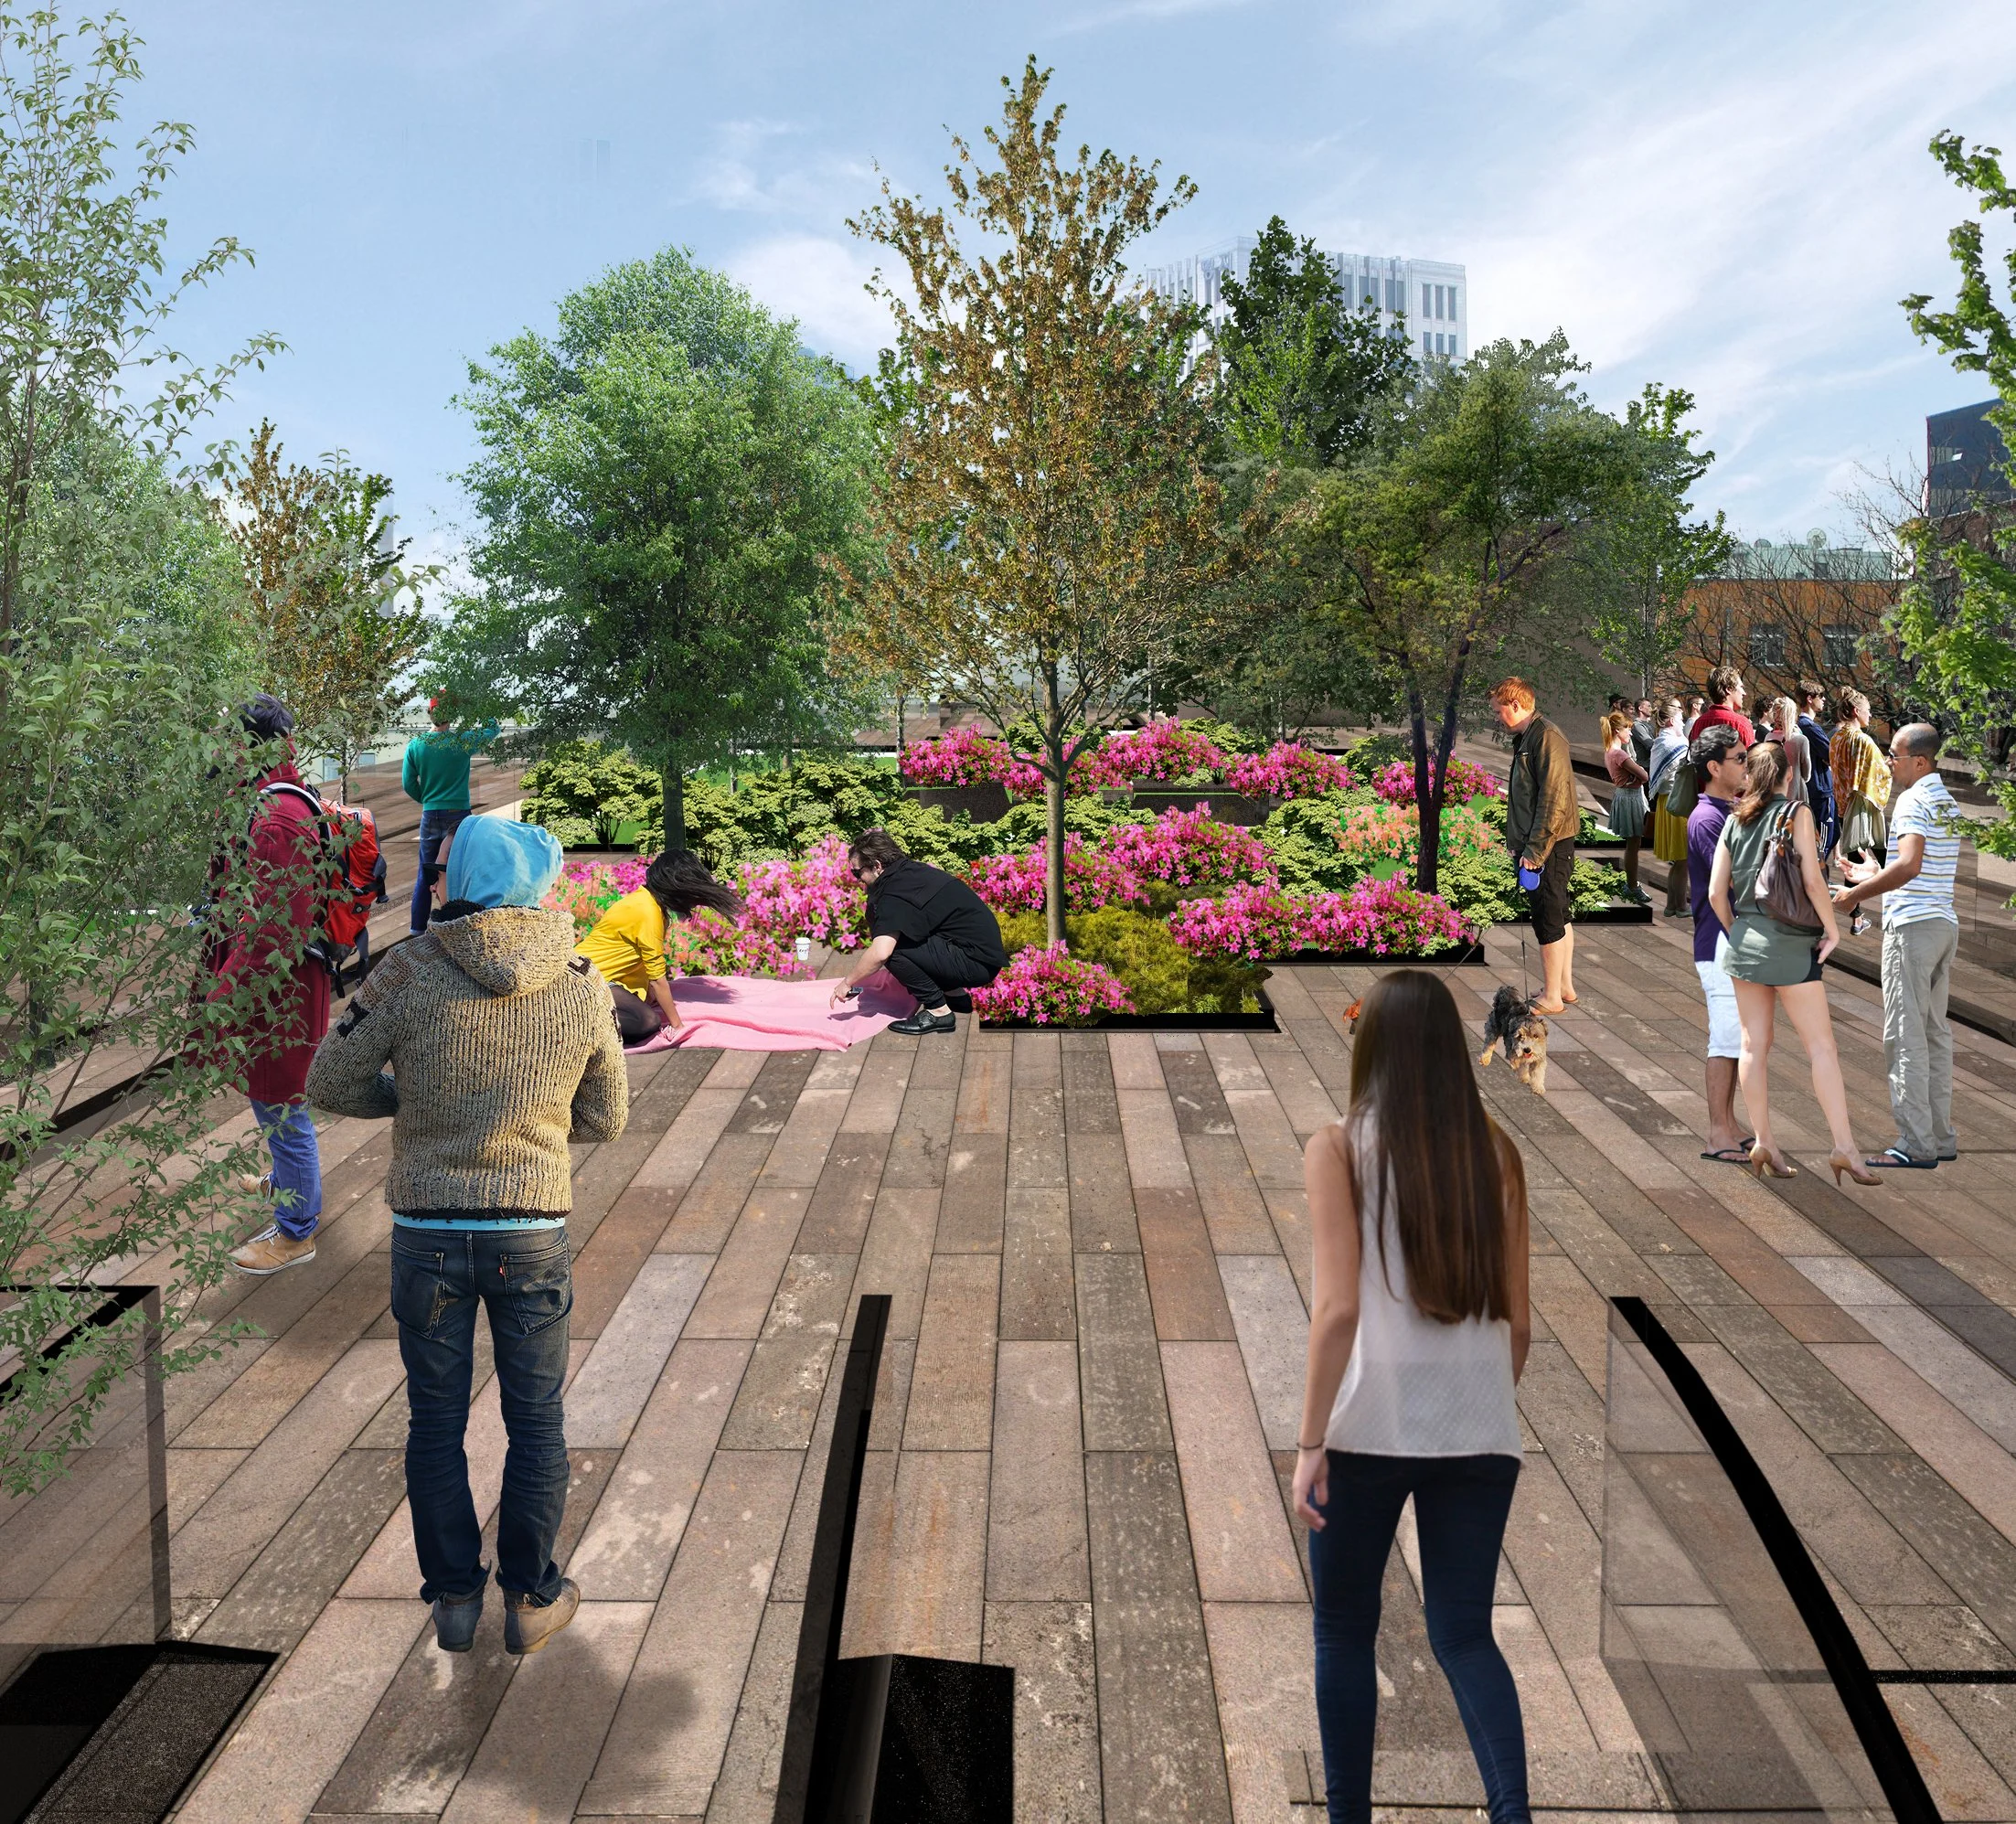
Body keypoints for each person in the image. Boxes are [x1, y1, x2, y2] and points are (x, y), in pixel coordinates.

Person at [305, 816, 628, 1657]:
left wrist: (414, 1104)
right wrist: (531, 1123)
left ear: (464, 878)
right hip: (531, 1231)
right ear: (540, 882)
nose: (437, 875)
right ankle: (531, 1597)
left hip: (428, 1234)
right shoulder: (581, 977)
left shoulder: (408, 966)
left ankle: (453, 1598)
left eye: (445, 866)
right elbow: (607, 1117)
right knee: (537, 1421)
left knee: (434, 1421)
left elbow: (329, 1079)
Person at [1291, 970, 1531, 1824]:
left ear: (1370, 1047)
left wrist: (1309, 1442)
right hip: (1481, 1430)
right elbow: (1519, 1323)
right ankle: (1512, 1815)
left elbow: (1337, 1310)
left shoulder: (1336, 1147)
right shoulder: (1496, 1154)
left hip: (1368, 1425)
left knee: (1343, 1631)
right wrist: (1474, 1403)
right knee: (1464, 1635)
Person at [1707, 741, 1878, 1188]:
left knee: (1752, 1047)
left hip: (1745, 946)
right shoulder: (1796, 813)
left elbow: (1715, 893)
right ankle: (1844, 1148)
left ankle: (1764, 1141)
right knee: (1821, 1048)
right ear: (1788, 774)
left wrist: (1740, 931)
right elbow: (1813, 883)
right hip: (1792, 949)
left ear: (1750, 776)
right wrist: (1833, 930)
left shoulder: (1734, 819)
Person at [216, 695, 332, 1276]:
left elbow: (273, 933)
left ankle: (295, 1232)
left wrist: (223, 996)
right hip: (287, 989)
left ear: (248, 746)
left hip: (276, 998)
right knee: (279, 1105)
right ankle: (285, 1183)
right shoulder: (285, 797)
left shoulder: (277, 818)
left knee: (283, 1109)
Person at [1833, 723, 1962, 1169]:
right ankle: (1940, 1138)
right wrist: (1874, 872)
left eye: (1896, 755)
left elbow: (1909, 865)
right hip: (1941, 925)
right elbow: (1920, 867)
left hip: (1912, 930)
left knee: (1905, 1036)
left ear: (1920, 762)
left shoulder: (1911, 800)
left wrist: (1855, 894)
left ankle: (1915, 1144)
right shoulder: (1944, 799)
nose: (1890, 762)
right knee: (1934, 1035)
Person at [828, 827, 1007, 1035]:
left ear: (877, 866)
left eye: (857, 872)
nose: (857, 878)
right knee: (906, 934)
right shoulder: (908, 873)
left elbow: (880, 953)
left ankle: (938, 1012)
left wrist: (847, 983)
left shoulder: (894, 893)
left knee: (892, 949)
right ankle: (956, 996)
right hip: (982, 955)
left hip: (976, 963)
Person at [576, 849, 743, 1046]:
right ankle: (574, 1024)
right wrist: (677, 1025)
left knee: (640, 1015)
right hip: (584, 978)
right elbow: (656, 978)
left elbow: (642, 963)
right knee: (647, 1022)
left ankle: (579, 1017)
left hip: (595, 976)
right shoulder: (647, 911)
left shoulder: (647, 901)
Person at [1686, 727, 1753, 1163]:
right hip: (1719, 943)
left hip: (1731, 941)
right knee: (1725, 1040)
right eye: (1739, 758)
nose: (1746, 765)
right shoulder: (1708, 819)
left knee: (1735, 1039)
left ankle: (1729, 1124)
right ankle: (1716, 1134)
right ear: (1714, 767)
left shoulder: (1727, 811)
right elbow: (1728, 883)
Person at [1493, 678, 1580, 1013]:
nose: (1497, 717)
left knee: (1547, 917)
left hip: (1548, 845)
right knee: (1559, 913)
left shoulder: (1546, 737)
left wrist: (1533, 852)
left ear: (1516, 705)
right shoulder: (1531, 736)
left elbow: (1554, 800)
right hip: (1545, 843)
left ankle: (1552, 998)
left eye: (1499, 710)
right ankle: (1564, 987)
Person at [402, 696, 497, 935]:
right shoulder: (463, 741)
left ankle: (417, 930)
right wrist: (472, 705)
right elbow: (493, 727)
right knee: (460, 872)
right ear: (452, 715)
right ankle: (459, 927)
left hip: (431, 815)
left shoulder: (416, 745)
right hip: (459, 817)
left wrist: (428, 800)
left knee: (425, 873)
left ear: (429, 713)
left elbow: (408, 784)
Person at [1829, 689, 1891, 870]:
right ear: (1856, 711)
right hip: (1864, 805)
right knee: (1887, 859)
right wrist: (1888, 765)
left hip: (1843, 805)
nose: (1870, 715)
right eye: (1868, 710)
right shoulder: (1863, 740)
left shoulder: (1836, 737)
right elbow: (1881, 773)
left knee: (1855, 863)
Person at [1600, 709, 1651, 905]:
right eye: (1627, 729)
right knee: (1633, 845)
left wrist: (1636, 775)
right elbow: (1644, 776)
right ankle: (1632, 886)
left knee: (1633, 844)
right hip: (1631, 799)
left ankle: (1631, 884)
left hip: (1625, 796)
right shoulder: (1619, 754)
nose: (1630, 733)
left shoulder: (1610, 751)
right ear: (1617, 730)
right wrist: (1638, 773)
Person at [1647, 700, 1692, 916]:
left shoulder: (1661, 741)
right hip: (1678, 803)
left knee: (1678, 861)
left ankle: (1671, 905)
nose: (1683, 723)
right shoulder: (1676, 744)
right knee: (1683, 859)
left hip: (1667, 802)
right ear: (1672, 720)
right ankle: (1681, 906)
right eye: (1681, 719)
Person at [1795, 681, 1836, 857]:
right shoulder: (1809, 726)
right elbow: (1831, 755)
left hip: (1812, 788)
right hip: (1820, 790)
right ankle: (1816, 871)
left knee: (1832, 834)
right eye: (1821, 696)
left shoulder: (1799, 724)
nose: (1824, 700)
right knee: (1823, 841)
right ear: (1810, 699)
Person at [1689, 665, 1754, 747]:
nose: (1744, 693)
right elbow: (1751, 754)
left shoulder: (1698, 723)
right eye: (1741, 687)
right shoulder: (1741, 723)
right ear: (1729, 689)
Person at [1629, 697, 1658, 773]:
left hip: (1652, 763)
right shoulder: (1637, 725)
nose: (1651, 709)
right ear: (1640, 708)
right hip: (1645, 766)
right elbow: (1650, 744)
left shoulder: (1649, 725)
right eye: (1649, 706)